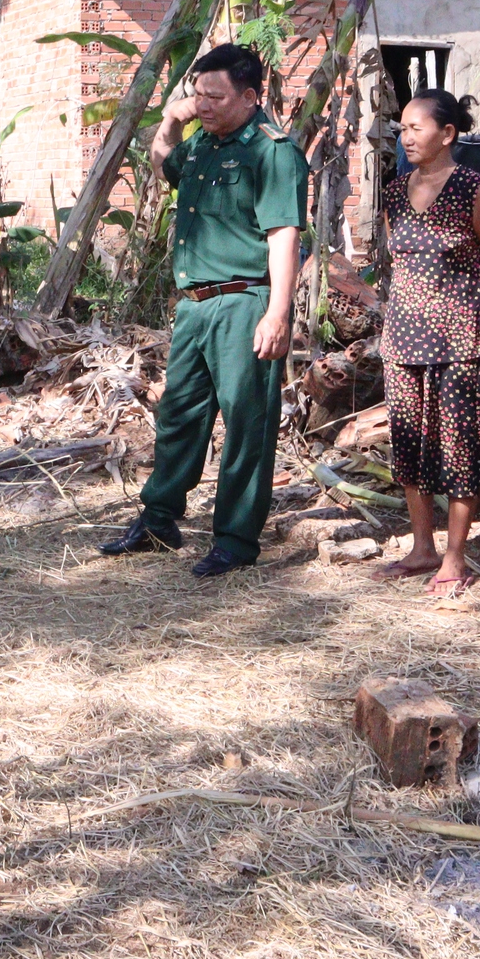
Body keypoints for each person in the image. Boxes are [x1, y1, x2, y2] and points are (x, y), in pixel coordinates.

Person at [100, 42, 307, 578]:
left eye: (215, 96)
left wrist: (278, 313)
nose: (204, 104)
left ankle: (236, 539)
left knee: (246, 422)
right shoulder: (204, 145)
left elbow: (285, 234)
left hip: (245, 301)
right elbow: (162, 159)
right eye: (198, 95)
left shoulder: (273, 151)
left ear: (250, 96)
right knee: (179, 415)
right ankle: (159, 520)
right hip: (194, 307)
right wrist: (171, 119)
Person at [374, 91, 480, 596]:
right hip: (402, 339)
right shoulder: (393, 192)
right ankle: (421, 549)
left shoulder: (474, 189)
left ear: (447, 134)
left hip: (458, 340)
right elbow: (399, 260)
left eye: (416, 128)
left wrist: (459, 303)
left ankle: (454, 557)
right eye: (402, 128)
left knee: (456, 447)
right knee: (408, 445)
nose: (405, 136)